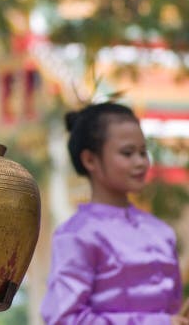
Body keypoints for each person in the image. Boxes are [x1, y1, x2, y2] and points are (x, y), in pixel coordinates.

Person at [40, 102, 187, 324]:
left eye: (143, 152)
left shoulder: (161, 232)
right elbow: (64, 319)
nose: (140, 162)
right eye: (127, 153)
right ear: (90, 159)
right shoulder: (77, 235)